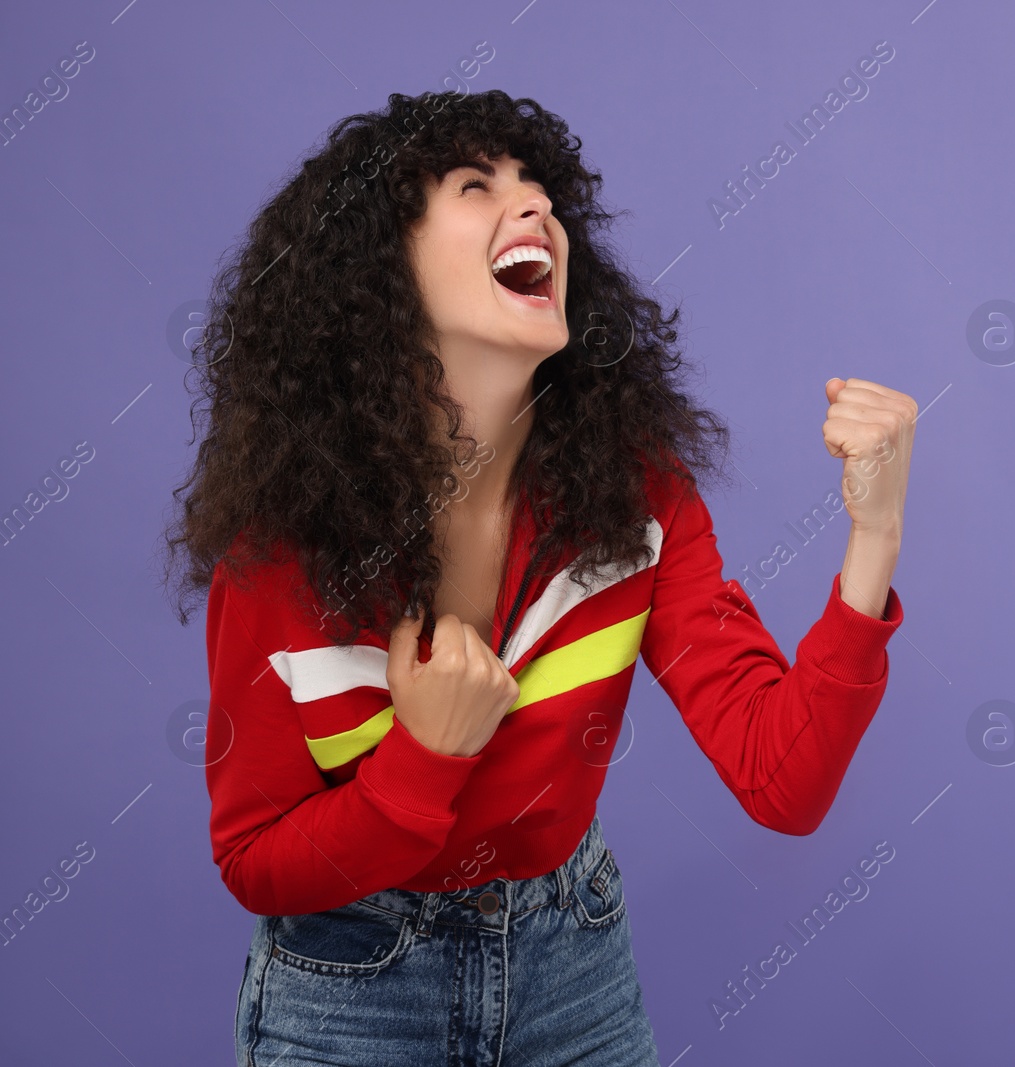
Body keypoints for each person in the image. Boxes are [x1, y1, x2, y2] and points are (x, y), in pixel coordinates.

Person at [159, 88, 915, 1066]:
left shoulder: (634, 490)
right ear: (373, 271)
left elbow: (784, 780)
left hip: (574, 971)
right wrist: (424, 757)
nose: (537, 209)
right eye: (477, 186)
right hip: (351, 984)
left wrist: (876, 533)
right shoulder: (287, 540)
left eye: (540, 189)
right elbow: (253, 859)